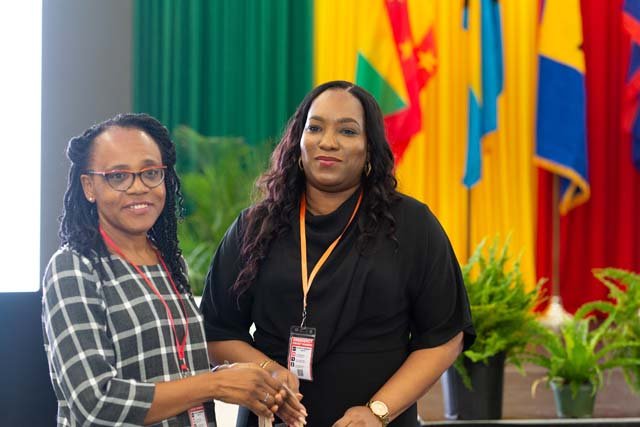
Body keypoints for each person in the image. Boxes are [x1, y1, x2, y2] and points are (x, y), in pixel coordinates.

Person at [201, 81, 476, 426]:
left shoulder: (412, 225)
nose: (328, 142)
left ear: (369, 149)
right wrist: (267, 371)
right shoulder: (255, 226)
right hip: (273, 419)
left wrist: (378, 411)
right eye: (315, 128)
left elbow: (444, 336)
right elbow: (216, 330)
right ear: (298, 142)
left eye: (347, 131)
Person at [42, 113, 306, 427]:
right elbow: (95, 403)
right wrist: (215, 384)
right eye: (118, 176)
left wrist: (236, 380)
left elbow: (173, 372)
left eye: (151, 173)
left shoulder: (169, 261)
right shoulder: (74, 267)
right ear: (89, 186)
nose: (138, 187)